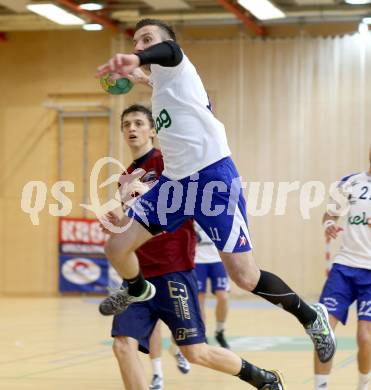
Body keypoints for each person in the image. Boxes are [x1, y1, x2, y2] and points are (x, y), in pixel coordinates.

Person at [96, 18, 336, 366]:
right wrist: (143, 76)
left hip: (213, 180)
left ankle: (311, 316)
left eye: (146, 40)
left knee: (244, 277)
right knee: (116, 246)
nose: (139, 46)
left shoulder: (178, 65)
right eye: (135, 43)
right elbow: (170, 88)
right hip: (176, 185)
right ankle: (137, 288)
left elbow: (172, 52)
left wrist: (136, 61)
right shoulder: (163, 85)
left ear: (165, 43)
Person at [111, 104, 286, 390]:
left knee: (196, 352)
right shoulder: (125, 177)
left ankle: (261, 377)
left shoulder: (170, 164)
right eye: (127, 124)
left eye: (139, 123)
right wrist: (118, 223)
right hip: (138, 276)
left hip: (173, 271)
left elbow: (191, 203)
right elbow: (136, 223)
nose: (132, 128)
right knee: (122, 346)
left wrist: (155, 195)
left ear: (153, 130)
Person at [314, 149, 371, 390]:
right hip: (344, 267)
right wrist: (329, 224)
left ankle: (363, 384)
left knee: (364, 336)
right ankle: (320, 386)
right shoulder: (351, 182)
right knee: (322, 330)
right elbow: (330, 213)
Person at [194, 221, 231, 349]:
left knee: (223, 297)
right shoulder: (189, 208)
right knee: (199, 299)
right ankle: (202, 334)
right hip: (197, 259)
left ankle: (220, 331)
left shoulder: (216, 209)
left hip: (217, 259)